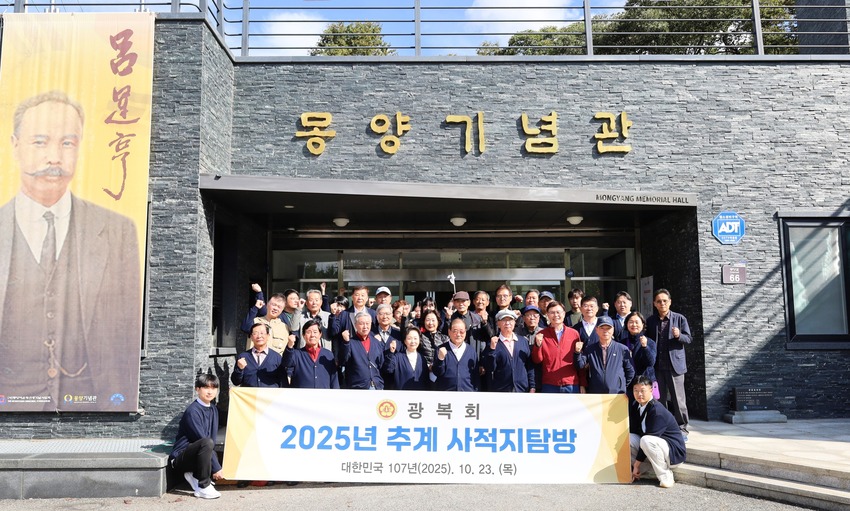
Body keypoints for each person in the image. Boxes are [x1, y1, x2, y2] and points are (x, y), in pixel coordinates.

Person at [0, 91, 141, 411]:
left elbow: (126, 331)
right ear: (15, 145)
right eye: (40, 142)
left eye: (67, 143)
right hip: (11, 400)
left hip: (92, 401)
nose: (54, 157)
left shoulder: (117, 232)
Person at [645, 288, 692, 437]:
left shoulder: (679, 318)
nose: (662, 304)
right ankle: (663, 427)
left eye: (665, 301)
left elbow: (688, 338)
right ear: (654, 303)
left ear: (670, 302)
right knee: (659, 400)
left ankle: (682, 428)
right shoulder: (651, 321)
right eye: (659, 301)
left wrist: (679, 335)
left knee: (678, 400)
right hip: (658, 367)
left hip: (675, 366)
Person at [169, 373, 223, 499]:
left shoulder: (213, 409)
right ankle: (203, 487)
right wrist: (216, 468)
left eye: (213, 388)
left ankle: (195, 475)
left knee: (209, 443)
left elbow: (212, 440)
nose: (210, 392)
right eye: (206, 387)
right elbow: (202, 439)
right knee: (207, 442)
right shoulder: (192, 411)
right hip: (180, 458)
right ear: (197, 389)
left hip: (197, 456)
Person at [630, 376, 686, 488]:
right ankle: (643, 472)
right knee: (628, 438)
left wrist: (636, 464)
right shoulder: (637, 406)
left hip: (672, 452)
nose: (639, 394)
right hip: (656, 447)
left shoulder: (657, 410)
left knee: (646, 440)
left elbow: (648, 438)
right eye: (636, 390)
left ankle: (666, 476)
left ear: (651, 390)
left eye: (642, 390)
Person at [532, 301, 585, 393]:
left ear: (564, 314)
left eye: (558, 312)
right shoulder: (541, 334)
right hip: (549, 384)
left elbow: (579, 359)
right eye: (552, 312)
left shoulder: (574, 333)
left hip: (571, 384)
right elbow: (537, 360)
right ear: (547, 315)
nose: (556, 315)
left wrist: (583, 383)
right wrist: (538, 345)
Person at [575, 316, 635, 394]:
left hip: (617, 394)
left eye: (608, 328)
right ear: (596, 330)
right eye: (602, 328)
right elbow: (579, 365)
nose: (605, 331)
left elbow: (630, 371)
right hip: (596, 392)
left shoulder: (622, 349)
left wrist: (621, 385)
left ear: (613, 330)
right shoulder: (590, 349)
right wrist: (577, 353)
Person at [484, 310, 535, 393]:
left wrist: (532, 386)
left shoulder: (523, 341)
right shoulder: (493, 343)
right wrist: (492, 350)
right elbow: (490, 368)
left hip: (522, 389)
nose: (507, 323)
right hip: (501, 390)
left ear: (514, 323)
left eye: (510, 320)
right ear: (498, 324)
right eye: (504, 320)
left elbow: (529, 366)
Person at [282, 320, 339, 389]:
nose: (312, 335)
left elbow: (334, 379)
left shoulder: (328, 355)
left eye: (315, 332)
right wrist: (290, 346)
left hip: (324, 394)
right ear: (303, 335)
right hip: (301, 395)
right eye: (308, 332)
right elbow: (286, 363)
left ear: (320, 334)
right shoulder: (297, 354)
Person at [338, 311, 384, 389]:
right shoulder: (350, 343)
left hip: (376, 386)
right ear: (355, 325)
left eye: (367, 323)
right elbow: (342, 361)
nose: (365, 326)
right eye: (361, 324)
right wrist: (346, 342)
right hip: (358, 387)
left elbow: (381, 364)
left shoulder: (376, 342)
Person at [240, 284, 291, 354]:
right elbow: (245, 327)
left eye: (279, 307)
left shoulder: (284, 327)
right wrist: (255, 308)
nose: (275, 308)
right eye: (273, 305)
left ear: (282, 309)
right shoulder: (255, 321)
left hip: (275, 361)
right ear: (267, 304)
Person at [231, 323, 286, 387]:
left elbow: (283, 382)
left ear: (268, 336)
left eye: (262, 333)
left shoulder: (276, 357)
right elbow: (235, 382)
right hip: (249, 393)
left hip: (269, 393)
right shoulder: (243, 357)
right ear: (251, 337)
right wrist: (240, 369)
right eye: (255, 333)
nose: (259, 336)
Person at [432, 318, 478, 391]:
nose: (458, 334)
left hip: (467, 392)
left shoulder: (471, 351)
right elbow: (437, 373)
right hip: (447, 392)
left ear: (465, 332)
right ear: (449, 332)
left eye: (461, 331)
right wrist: (440, 359)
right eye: (455, 331)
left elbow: (475, 376)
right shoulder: (440, 349)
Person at [621, 311, 657, 400]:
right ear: (626, 324)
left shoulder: (649, 342)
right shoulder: (622, 343)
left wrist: (645, 347)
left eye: (637, 322)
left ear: (643, 324)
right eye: (631, 322)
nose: (634, 325)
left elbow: (651, 363)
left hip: (645, 383)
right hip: (628, 385)